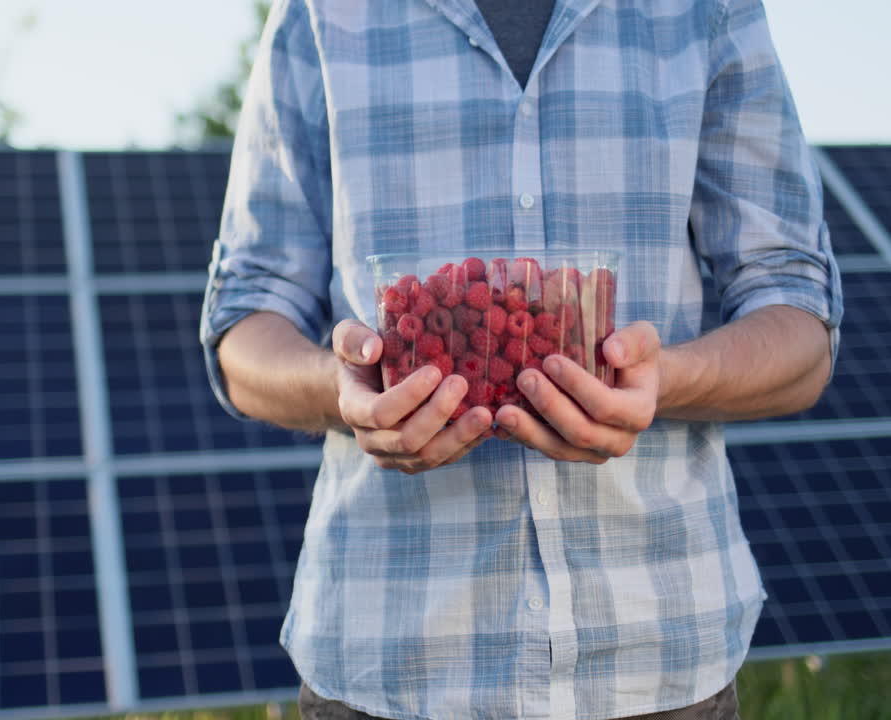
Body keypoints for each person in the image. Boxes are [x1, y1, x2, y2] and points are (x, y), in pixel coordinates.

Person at [201, 0, 842, 717]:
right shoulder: (323, 12)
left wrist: (663, 381)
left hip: (656, 659)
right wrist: (342, 389)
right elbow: (242, 327)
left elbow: (799, 328)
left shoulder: (705, 10)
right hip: (386, 662)